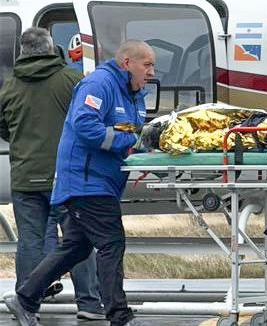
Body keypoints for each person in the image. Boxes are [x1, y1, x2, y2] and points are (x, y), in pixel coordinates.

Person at [3, 39, 156, 326]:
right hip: (86, 182)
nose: (151, 72)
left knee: (76, 247)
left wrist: (147, 147)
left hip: (99, 182)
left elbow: (130, 132)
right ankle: (119, 315)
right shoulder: (99, 84)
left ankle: (24, 299)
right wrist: (130, 142)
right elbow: (86, 126)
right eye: (147, 65)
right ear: (127, 63)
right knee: (111, 243)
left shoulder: (132, 93)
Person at [0, 27, 104, 320]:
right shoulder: (71, 80)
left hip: (25, 177)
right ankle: (89, 304)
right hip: (66, 177)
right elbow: (89, 120)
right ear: (51, 48)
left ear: (23, 51)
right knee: (77, 240)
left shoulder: (9, 86)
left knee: (29, 242)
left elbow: (3, 128)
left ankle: (27, 304)